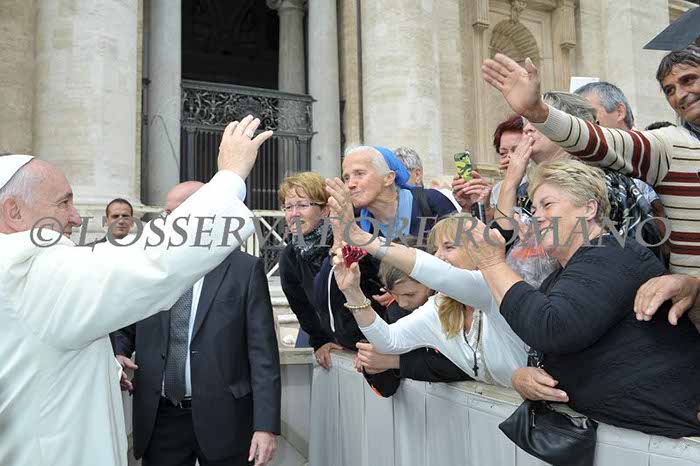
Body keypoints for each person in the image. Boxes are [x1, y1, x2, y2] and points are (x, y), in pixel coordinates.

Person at [0, 115, 271, 466]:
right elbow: (152, 263)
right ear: (14, 211)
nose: (76, 218)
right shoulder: (28, 270)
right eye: (63, 203)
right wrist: (230, 177)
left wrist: (103, 367)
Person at [468, 158, 700, 438]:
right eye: (534, 208)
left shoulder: (612, 254)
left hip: (676, 441)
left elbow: (554, 329)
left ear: (589, 209)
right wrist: (523, 377)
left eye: (548, 204)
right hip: (630, 440)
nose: (537, 216)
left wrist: (492, 263)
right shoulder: (560, 276)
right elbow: (548, 346)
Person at [482, 47, 700, 329]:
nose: (680, 95)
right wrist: (537, 113)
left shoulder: (605, 183)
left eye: (689, 80)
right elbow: (597, 139)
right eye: (669, 89)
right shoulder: (669, 145)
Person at [112, 181, 280, 466]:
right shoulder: (149, 265)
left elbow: (263, 354)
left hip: (226, 418)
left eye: (174, 214)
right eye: (165, 214)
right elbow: (125, 323)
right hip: (160, 417)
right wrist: (119, 352)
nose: (166, 223)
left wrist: (265, 426)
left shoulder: (244, 270)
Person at [326, 177, 551, 387]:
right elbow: (388, 341)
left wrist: (361, 237)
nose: (439, 256)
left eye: (449, 247)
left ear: (477, 252)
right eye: (435, 249)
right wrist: (352, 292)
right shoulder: (440, 306)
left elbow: (438, 274)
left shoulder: (491, 288)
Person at [574, 81, 669, 244]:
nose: (582, 126)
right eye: (577, 119)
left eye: (588, 114)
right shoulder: (585, 164)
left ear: (619, 112)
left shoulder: (656, 152)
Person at [278, 172, 341, 369]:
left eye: (302, 205)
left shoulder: (344, 242)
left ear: (325, 210)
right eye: (288, 207)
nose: (294, 214)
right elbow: (302, 307)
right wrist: (320, 341)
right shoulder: (290, 255)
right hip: (326, 338)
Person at [488, 115, 526, 209]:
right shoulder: (497, 190)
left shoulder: (540, 185)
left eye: (516, 150)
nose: (509, 156)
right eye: (503, 153)